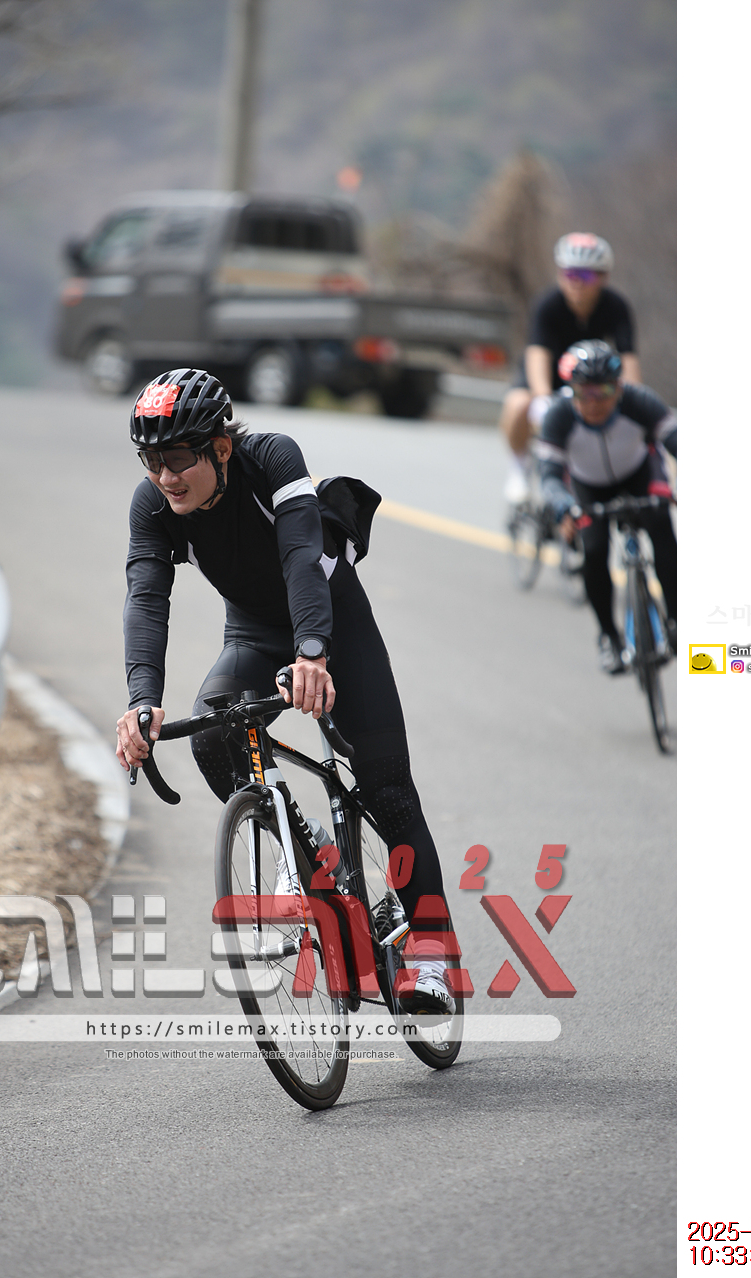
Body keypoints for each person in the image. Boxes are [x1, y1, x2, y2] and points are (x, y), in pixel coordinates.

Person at [115, 367, 456, 1013]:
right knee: (214, 738)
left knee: (386, 787)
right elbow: (146, 597)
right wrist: (141, 699)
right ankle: (307, 851)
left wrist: (312, 653)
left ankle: (434, 955)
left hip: (332, 623)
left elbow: (301, 554)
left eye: (178, 458)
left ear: (220, 446)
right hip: (253, 633)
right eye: (150, 460)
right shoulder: (153, 504)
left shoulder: (271, 458)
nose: (164, 475)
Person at [538, 340, 677, 674]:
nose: (594, 402)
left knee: (662, 532)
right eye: (584, 392)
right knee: (594, 550)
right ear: (571, 391)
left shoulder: (639, 401)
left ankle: (676, 619)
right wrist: (564, 506)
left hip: (640, 476)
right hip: (589, 488)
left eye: (604, 391)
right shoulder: (558, 415)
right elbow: (550, 477)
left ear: (619, 387)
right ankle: (608, 637)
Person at [500, 232, 642, 503]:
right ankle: (518, 467)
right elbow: (537, 354)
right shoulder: (547, 304)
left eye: (585, 276)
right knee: (518, 405)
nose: (576, 282)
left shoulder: (616, 306)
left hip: (590, 379)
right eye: (569, 274)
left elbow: (628, 360)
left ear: (603, 277)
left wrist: (633, 398)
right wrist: (543, 397)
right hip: (548, 376)